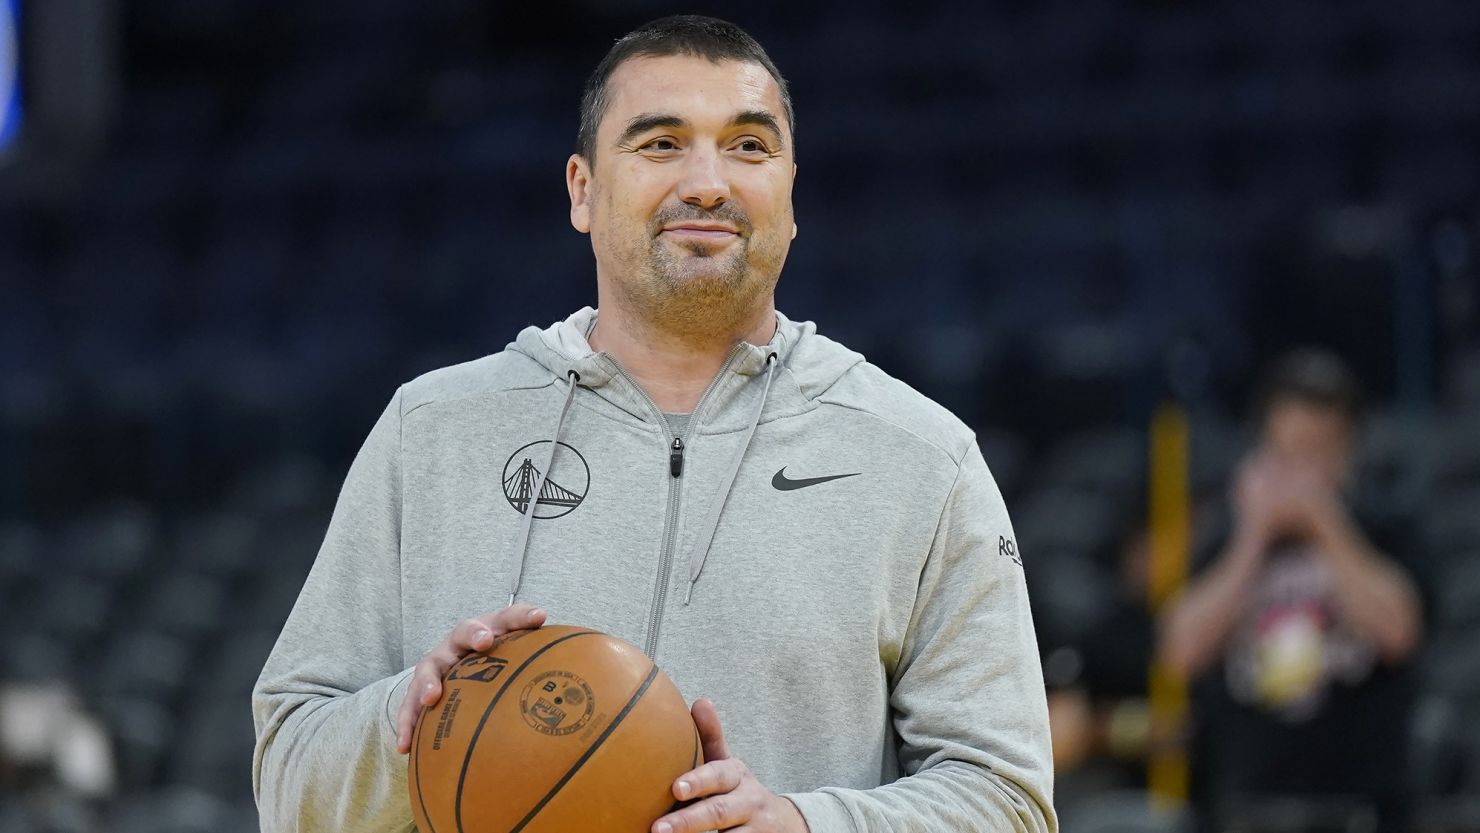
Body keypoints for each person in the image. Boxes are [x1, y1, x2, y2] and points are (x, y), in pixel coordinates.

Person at [252, 15, 1055, 833]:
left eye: (749, 146)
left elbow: (1009, 801)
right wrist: (415, 719)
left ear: (790, 193)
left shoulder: (921, 456)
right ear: (582, 190)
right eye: (660, 143)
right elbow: (288, 778)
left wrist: (807, 824)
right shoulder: (431, 430)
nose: (708, 182)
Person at [1159, 349, 1427, 832]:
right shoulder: (1227, 535)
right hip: (1244, 807)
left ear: (1349, 454)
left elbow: (1399, 632)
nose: (1299, 473)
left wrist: (1327, 525)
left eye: (1317, 452)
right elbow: (1180, 651)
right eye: (1286, 452)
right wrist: (1252, 538)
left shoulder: (1386, 526)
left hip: (1361, 808)